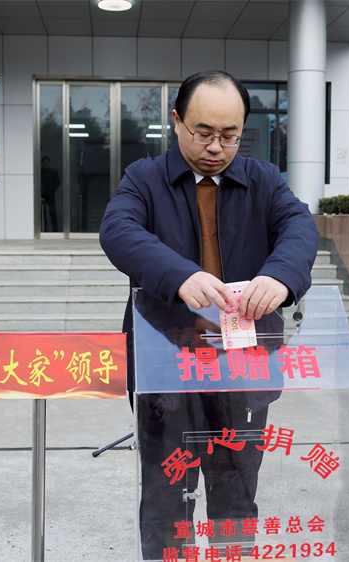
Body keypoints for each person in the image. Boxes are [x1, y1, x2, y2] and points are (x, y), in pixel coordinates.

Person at [99, 70, 319, 560]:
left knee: (235, 492)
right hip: (167, 366)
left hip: (242, 365)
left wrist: (280, 276)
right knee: (166, 496)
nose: (216, 147)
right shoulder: (144, 179)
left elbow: (299, 226)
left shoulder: (263, 180)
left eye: (229, 135)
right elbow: (118, 230)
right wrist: (179, 274)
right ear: (176, 121)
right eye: (203, 133)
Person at [40, 156, 61, 231]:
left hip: (51, 195)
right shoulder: (40, 172)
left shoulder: (53, 172)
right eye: (44, 162)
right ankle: (43, 229)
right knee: (43, 212)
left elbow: (57, 182)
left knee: (52, 212)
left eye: (47, 162)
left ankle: (55, 229)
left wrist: (52, 189)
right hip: (42, 195)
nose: (45, 164)